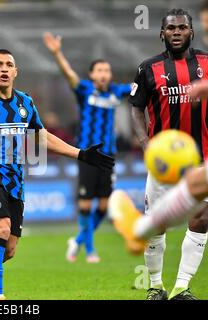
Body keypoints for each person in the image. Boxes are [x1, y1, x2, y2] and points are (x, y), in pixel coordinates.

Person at [0, 49, 114, 300]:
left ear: (15, 71)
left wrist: (81, 154)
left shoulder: (25, 103)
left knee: (8, 249)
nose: (3, 69)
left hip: (15, 181)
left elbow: (41, 137)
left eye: (8, 64)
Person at [124, 8, 208, 300]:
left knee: (201, 217)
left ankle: (182, 286)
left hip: (200, 155)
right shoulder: (147, 68)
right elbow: (136, 107)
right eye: (171, 28)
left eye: (182, 28)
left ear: (192, 32)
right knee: (158, 225)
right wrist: (143, 141)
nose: (176, 32)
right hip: (163, 161)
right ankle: (155, 285)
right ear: (161, 33)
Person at [43, 32, 131, 263]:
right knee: (85, 205)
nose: (103, 74)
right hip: (88, 155)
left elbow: (139, 86)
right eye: (99, 70)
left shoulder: (117, 91)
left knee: (103, 206)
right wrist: (57, 53)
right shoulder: (84, 90)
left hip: (108, 156)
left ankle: (78, 240)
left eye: (106, 70)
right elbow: (69, 75)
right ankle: (89, 250)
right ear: (92, 75)